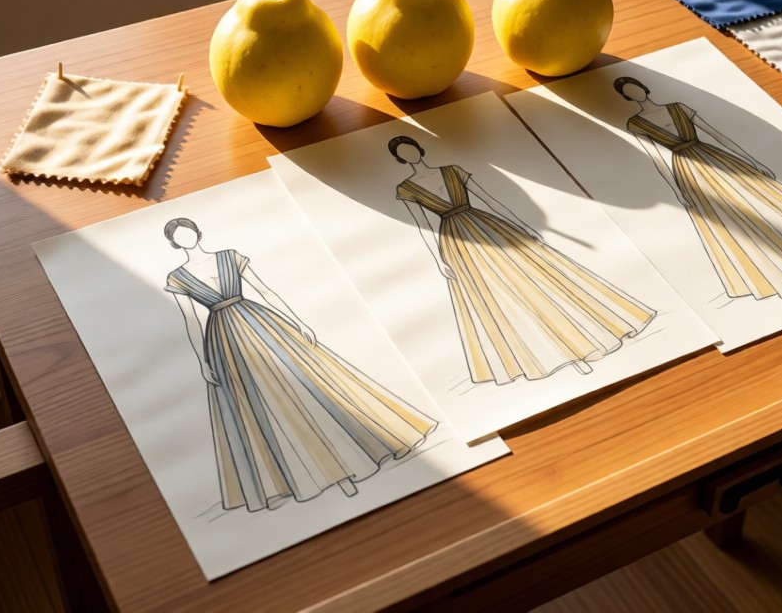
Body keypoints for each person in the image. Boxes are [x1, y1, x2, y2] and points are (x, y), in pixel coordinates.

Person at [163, 217, 437, 512]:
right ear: (176, 243)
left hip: (263, 324)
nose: (187, 237)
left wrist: (297, 320)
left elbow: (265, 290)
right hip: (224, 340)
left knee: (308, 383)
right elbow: (191, 321)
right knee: (264, 402)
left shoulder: (230, 256)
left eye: (188, 231)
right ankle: (310, 474)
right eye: (180, 235)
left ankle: (362, 450)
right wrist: (202, 360)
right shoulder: (178, 277)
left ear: (197, 232)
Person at [388, 135, 655, 385]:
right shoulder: (407, 188)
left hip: (490, 226)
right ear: (400, 160)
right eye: (402, 153)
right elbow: (423, 226)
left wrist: (521, 225)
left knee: (538, 278)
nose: (408, 154)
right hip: (458, 242)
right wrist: (439, 261)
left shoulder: (453, 170)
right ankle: (559, 355)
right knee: (502, 294)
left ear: (418, 149)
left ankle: (593, 337)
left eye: (410, 148)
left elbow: (490, 201)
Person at [615, 76, 782, 300]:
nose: (635, 93)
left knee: (771, 205)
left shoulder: (678, 106)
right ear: (627, 98)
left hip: (718, 158)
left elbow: (718, 135)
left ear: (644, 88)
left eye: (636, 88)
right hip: (689, 172)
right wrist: (677, 191)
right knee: (737, 221)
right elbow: (657, 159)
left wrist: (752, 160)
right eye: (629, 93)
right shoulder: (636, 124)